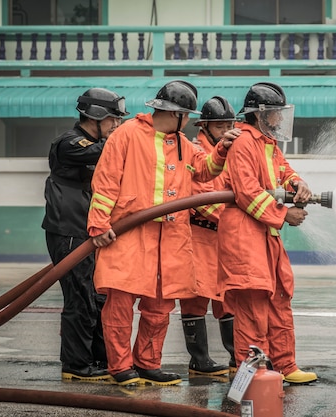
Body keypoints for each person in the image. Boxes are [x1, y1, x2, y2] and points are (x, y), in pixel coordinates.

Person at [87, 80, 234, 386]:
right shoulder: (127, 134)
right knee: (120, 304)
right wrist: (99, 224)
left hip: (169, 238)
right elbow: (106, 181)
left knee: (160, 306)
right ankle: (121, 367)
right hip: (129, 234)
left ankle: (148, 364)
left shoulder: (182, 142)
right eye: (188, 115)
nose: (191, 121)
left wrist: (222, 149)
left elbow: (205, 170)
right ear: (176, 113)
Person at [216, 82, 318, 384]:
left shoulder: (266, 143)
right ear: (260, 114)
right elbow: (246, 192)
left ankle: (285, 366)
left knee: (279, 298)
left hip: (264, 234)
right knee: (252, 306)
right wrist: (284, 214)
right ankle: (253, 375)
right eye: (275, 113)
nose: (279, 119)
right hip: (244, 236)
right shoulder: (244, 143)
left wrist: (298, 183)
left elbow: (284, 171)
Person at [41, 87, 129, 382]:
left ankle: (95, 359)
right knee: (79, 298)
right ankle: (77, 366)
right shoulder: (69, 142)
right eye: (114, 119)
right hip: (68, 233)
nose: (116, 126)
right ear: (96, 116)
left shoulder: (99, 145)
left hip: (88, 233)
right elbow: (100, 151)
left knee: (95, 297)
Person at [180, 96, 241, 377]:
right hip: (200, 234)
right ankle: (199, 361)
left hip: (223, 236)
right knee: (195, 297)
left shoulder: (231, 151)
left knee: (228, 297)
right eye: (220, 125)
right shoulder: (194, 152)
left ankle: (235, 356)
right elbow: (199, 196)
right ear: (204, 126)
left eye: (229, 124)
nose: (226, 129)